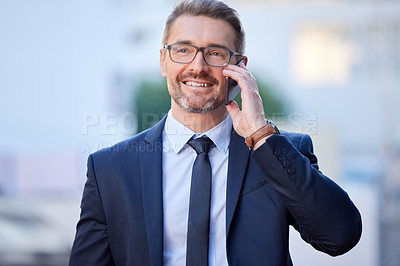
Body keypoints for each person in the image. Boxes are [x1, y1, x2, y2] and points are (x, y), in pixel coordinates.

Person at [69, 0, 362, 265]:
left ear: (239, 68)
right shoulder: (110, 169)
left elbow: (339, 237)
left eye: (215, 53)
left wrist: (260, 135)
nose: (198, 67)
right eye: (183, 50)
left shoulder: (280, 152)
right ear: (163, 61)